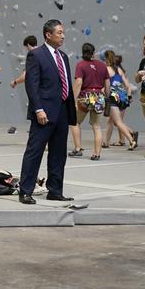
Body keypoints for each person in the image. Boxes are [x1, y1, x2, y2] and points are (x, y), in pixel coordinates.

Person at [18, 19, 77, 205]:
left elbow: (64, 84)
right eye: (59, 32)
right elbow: (32, 85)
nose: (63, 36)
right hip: (43, 112)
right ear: (48, 35)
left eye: (63, 32)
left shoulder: (64, 57)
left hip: (62, 110)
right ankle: (26, 191)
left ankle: (55, 190)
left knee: (59, 153)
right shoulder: (36, 55)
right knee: (34, 152)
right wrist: (38, 109)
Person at [69, 43, 111, 161]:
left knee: (75, 122)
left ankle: (78, 149)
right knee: (97, 126)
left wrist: (72, 99)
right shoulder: (103, 66)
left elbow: (78, 83)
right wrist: (107, 98)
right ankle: (96, 154)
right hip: (98, 99)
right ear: (94, 52)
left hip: (85, 98)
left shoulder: (81, 65)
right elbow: (107, 84)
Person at [102, 50, 137, 150]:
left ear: (106, 59)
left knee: (117, 122)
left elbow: (105, 85)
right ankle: (106, 142)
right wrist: (129, 97)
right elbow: (128, 86)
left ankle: (132, 140)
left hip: (113, 97)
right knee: (110, 121)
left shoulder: (106, 70)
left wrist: (104, 93)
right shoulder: (119, 70)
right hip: (122, 97)